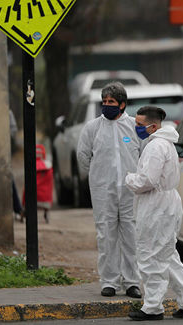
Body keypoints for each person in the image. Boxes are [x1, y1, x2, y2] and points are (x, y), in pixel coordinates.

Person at [125, 106, 183, 321]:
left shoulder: (155, 146)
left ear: (153, 126)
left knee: (150, 255)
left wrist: (129, 179)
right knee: (166, 254)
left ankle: (152, 307)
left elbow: (148, 180)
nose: (137, 128)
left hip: (157, 206)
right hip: (165, 203)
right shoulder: (163, 143)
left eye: (140, 125)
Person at [76, 82, 142, 298]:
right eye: (104, 102)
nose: (106, 105)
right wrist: (98, 176)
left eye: (111, 102)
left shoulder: (134, 127)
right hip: (103, 191)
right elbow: (83, 156)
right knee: (106, 235)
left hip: (130, 191)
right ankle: (109, 282)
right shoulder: (92, 128)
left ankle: (132, 282)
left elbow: (144, 155)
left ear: (122, 104)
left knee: (131, 235)